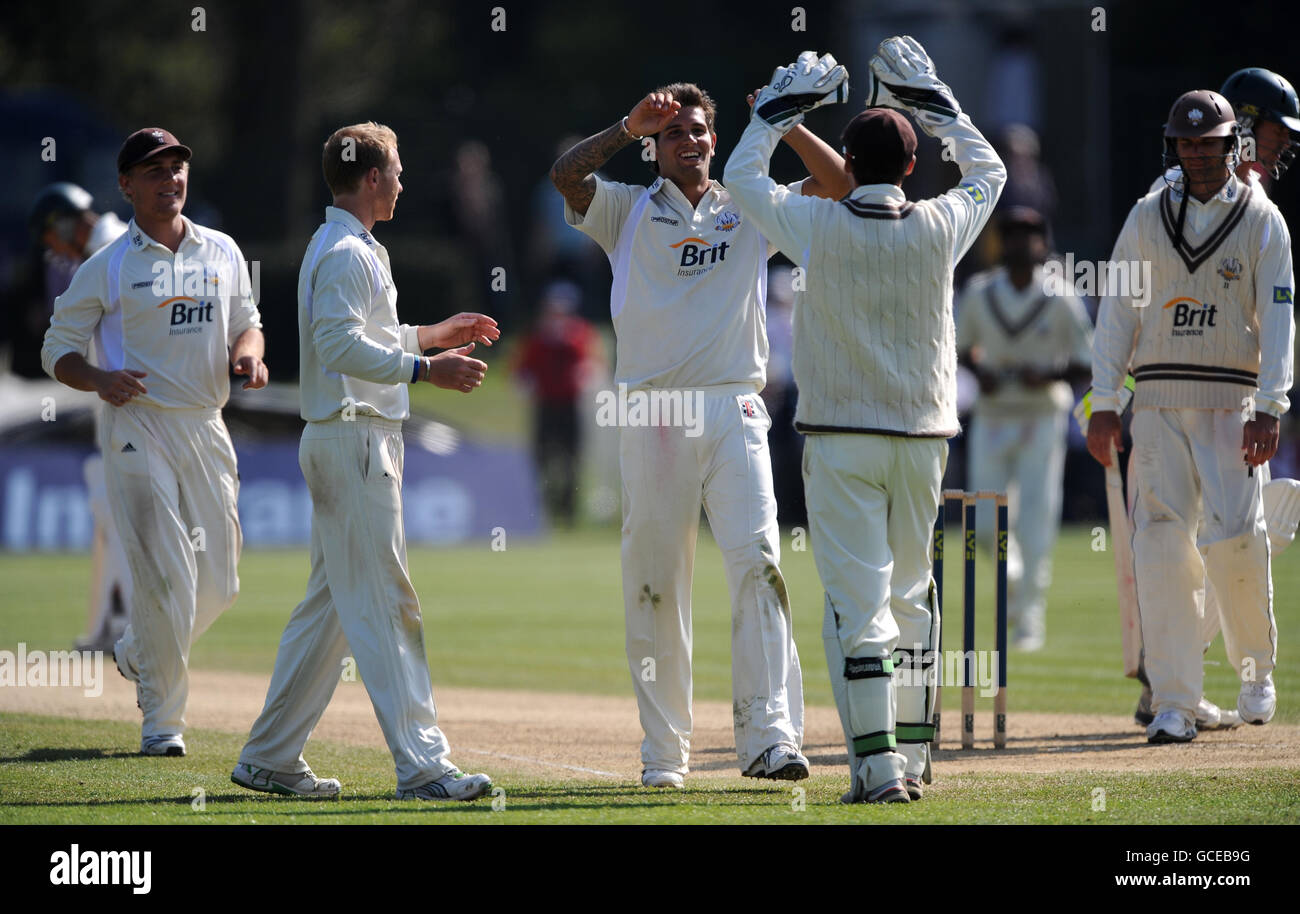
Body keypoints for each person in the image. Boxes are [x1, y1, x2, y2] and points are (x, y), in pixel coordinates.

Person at [551, 77, 854, 789]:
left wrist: (780, 121)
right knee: (657, 586)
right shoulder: (624, 210)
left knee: (760, 566)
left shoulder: (748, 203)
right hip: (653, 411)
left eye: (700, 132)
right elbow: (566, 175)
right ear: (655, 150)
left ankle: (772, 738)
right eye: (676, 134)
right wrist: (627, 127)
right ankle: (665, 756)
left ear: (717, 141)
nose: (691, 142)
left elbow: (840, 185)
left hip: (734, 406)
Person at [725, 41, 1006, 802]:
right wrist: (933, 97)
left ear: (846, 160)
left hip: (841, 436)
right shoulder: (942, 226)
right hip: (923, 440)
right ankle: (911, 761)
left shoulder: (813, 226)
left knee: (860, 602)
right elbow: (991, 171)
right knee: (913, 595)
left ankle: (879, 769)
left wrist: (780, 112)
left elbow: (740, 178)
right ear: (913, 168)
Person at [231, 122, 499, 800]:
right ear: (373, 178)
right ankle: (425, 766)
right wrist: (424, 369)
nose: (404, 183)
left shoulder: (351, 247)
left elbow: (362, 337)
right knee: (387, 602)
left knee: (331, 610)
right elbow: (338, 346)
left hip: (352, 438)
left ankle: (268, 755)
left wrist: (435, 335)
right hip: (353, 441)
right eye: (398, 171)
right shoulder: (347, 251)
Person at [41, 128, 268, 757]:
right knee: (166, 575)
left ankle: (139, 649)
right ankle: (162, 724)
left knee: (221, 584)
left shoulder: (220, 250)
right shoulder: (108, 266)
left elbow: (248, 324)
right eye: (154, 170)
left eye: (177, 167)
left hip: (205, 423)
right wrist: (99, 379)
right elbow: (56, 349)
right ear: (126, 184)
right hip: (136, 426)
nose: (170, 179)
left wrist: (249, 358)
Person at [1088, 90, 1293, 743]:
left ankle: (1256, 671)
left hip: (1232, 403)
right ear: (1173, 146)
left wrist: (1271, 405)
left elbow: (1281, 320)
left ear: (1234, 146)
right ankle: (1175, 701)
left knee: (1236, 536)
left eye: (1210, 143)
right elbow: (1118, 309)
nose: (1198, 154)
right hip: (1156, 401)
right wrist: (1102, 401)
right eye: (1187, 143)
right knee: (1161, 546)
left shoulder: (1263, 220)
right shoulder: (1148, 215)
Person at [956, 206, 1092, 651]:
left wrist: (1048, 375)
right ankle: (1011, 576)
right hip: (994, 413)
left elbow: (1085, 362)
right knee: (981, 520)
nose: (1020, 244)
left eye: (1029, 236)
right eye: (1012, 235)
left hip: (1040, 416)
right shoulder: (979, 292)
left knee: (1037, 517)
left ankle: (1029, 617)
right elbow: (956, 348)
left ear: (1043, 244)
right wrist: (980, 372)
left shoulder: (1060, 296)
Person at [512, 279, 602, 526]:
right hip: (545, 405)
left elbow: (590, 363)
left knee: (572, 458)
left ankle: (568, 511)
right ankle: (542, 510)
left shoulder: (580, 333)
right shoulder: (537, 336)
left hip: (571, 405)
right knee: (543, 458)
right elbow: (523, 369)